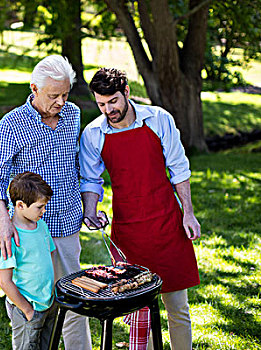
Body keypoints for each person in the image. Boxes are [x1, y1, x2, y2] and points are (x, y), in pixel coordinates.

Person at [79, 68, 200, 350]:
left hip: (168, 223)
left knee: (177, 306)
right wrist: (91, 210)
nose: (109, 109)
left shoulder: (158, 120)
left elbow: (179, 168)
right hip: (129, 230)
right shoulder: (93, 133)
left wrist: (189, 212)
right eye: (101, 104)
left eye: (113, 101)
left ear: (127, 93)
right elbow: (90, 179)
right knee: (137, 312)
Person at [0, 55, 92, 350]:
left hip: (67, 220)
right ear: (34, 88)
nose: (60, 101)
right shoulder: (13, 123)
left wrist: (90, 206)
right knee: (32, 305)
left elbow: (78, 166)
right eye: (53, 95)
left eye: (65, 93)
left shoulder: (72, 114)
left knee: (73, 299)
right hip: (30, 230)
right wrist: (4, 222)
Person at [0, 171, 57, 350]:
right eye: (40, 207)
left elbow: (49, 255)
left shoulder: (42, 225)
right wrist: (27, 310)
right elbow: (4, 282)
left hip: (48, 302)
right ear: (20, 205)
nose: (44, 211)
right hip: (26, 308)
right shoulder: (9, 237)